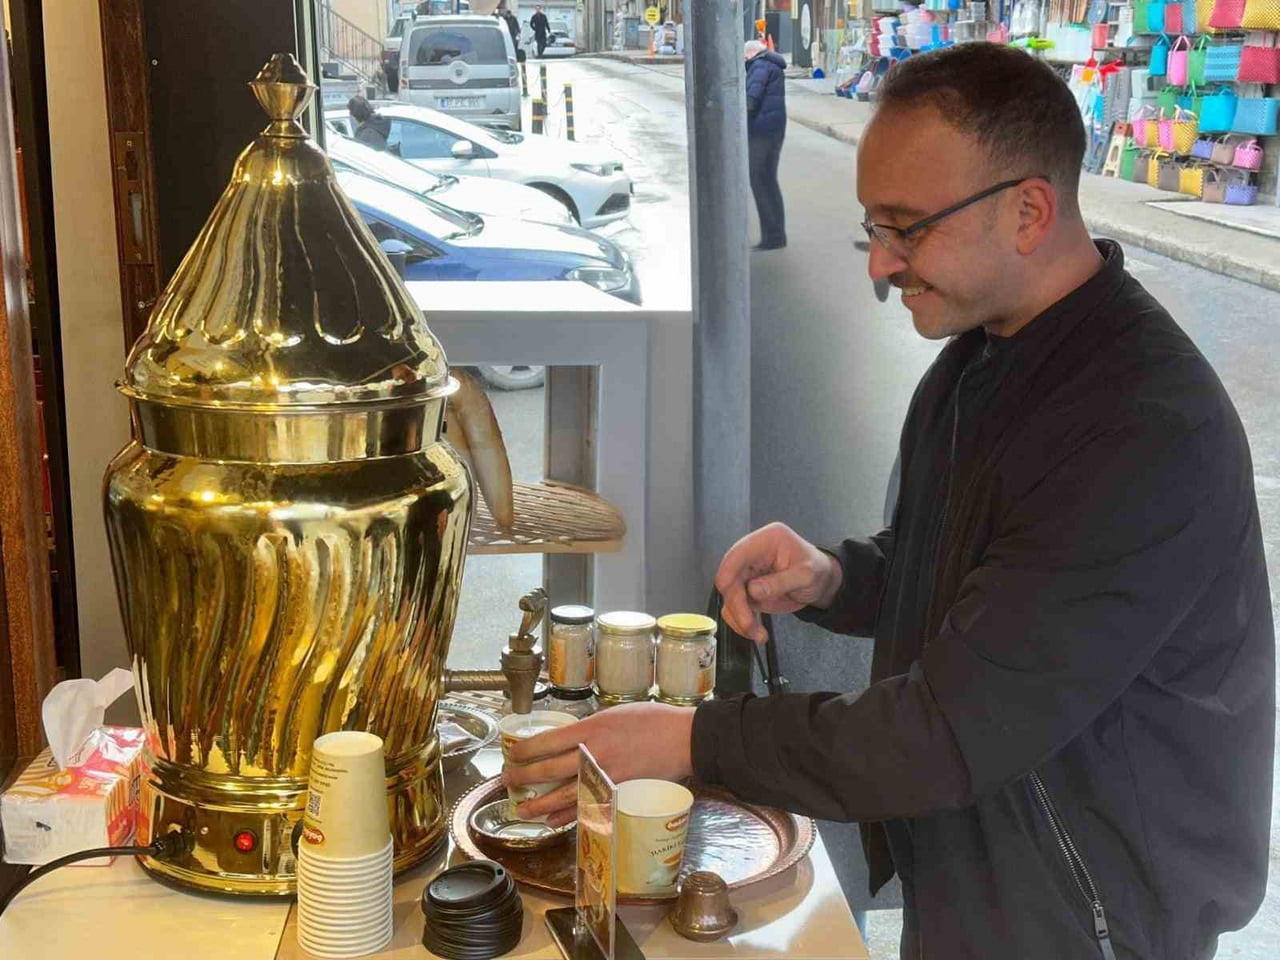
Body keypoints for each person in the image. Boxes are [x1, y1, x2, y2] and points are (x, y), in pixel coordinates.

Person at [504, 43, 1274, 959]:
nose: (880, 263)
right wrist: (838, 577)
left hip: (1088, 910)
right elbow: (975, 570)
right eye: (874, 227)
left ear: (1029, 210)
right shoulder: (977, 364)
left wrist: (692, 740)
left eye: (907, 228)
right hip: (979, 866)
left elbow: (947, 732)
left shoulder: (1141, 426)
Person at [744, 40, 787, 251]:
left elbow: (751, 99)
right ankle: (777, 235)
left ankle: (772, 237)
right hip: (774, 131)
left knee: (759, 180)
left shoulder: (760, 66)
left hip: (761, 132)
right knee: (769, 180)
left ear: (750, 54)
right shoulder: (772, 65)